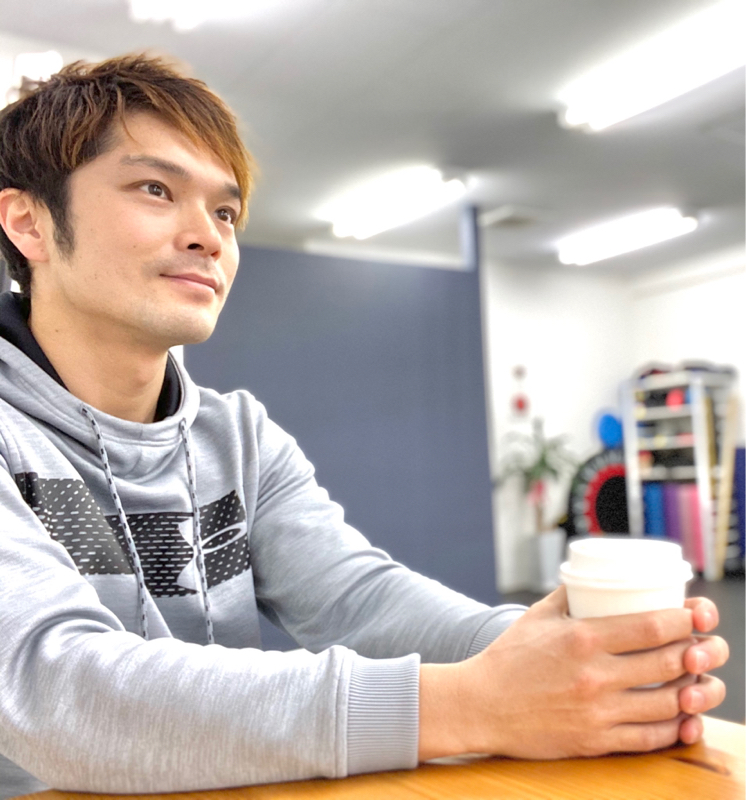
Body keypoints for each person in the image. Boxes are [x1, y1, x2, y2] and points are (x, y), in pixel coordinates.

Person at [0, 55, 729, 798]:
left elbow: (358, 601)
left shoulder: (237, 437)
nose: (209, 237)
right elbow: (54, 689)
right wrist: (473, 703)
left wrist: (562, 657)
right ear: (28, 221)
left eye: (225, 212)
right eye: (156, 189)